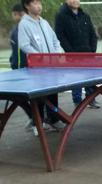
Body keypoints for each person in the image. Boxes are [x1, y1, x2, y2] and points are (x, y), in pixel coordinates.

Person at [17, 0, 65, 131]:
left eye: (39, 3)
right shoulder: (24, 24)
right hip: (38, 68)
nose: (39, 6)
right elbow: (24, 45)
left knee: (52, 92)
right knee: (39, 96)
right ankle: (37, 122)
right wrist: (40, 57)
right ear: (27, 6)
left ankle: (53, 119)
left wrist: (57, 53)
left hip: (52, 66)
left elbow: (55, 40)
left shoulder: (44, 22)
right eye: (35, 3)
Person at [55, 0, 100, 109]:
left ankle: (91, 99)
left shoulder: (85, 16)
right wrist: (70, 52)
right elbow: (60, 36)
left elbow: (92, 34)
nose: (75, 1)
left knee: (90, 78)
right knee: (76, 78)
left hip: (88, 53)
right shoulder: (61, 16)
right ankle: (77, 101)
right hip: (73, 55)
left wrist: (92, 50)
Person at [8, 3, 33, 128]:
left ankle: (37, 119)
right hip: (18, 70)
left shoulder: (25, 28)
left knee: (32, 97)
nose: (18, 17)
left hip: (27, 69)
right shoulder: (14, 30)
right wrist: (12, 61)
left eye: (20, 14)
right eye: (15, 14)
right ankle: (34, 117)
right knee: (18, 97)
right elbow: (15, 51)